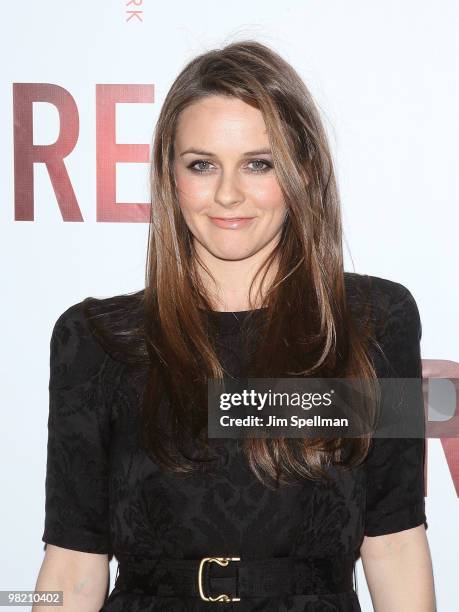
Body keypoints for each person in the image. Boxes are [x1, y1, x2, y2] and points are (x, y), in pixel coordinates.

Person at [34, 40, 436, 611]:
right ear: (169, 177)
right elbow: (74, 566)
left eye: (258, 163)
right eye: (201, 164)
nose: (228, 193)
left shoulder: (369, 325)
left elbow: (393, 543)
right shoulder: (97, 341)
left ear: (301, 171)